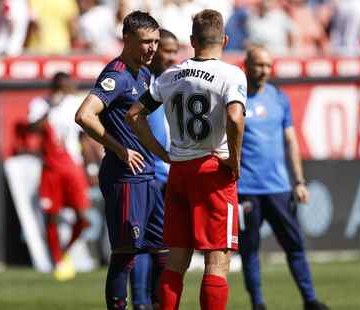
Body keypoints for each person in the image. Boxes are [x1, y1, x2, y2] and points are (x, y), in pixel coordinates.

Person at [126, 9, 247, 310]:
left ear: (192, 41)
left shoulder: (170, 75)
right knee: (217, 263)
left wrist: (159, 152)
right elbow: (234, 116)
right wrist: (234, 158)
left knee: (174, 264)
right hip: (212, 170)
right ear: (225, 39)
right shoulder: (230, 74)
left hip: (178, 170)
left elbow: (134, 115)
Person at [74, 11, 168, 310]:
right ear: (126, 40)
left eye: (155, 41)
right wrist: (119, 149)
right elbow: (84, 115)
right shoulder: (117, 75)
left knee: (164, 253)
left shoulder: (144, 73)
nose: (152, 48)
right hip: (125, 177)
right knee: (127, 253)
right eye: (145, 42)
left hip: (149, 175)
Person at [238, 45, 329, 310]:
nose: (264, 71)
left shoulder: (279, 98)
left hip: (278, 187)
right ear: (246, 65)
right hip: (246, 188)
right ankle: (258, 304)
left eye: (268, 65)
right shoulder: (236, 99)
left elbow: (291, 141)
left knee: (295, 245)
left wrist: (298, 181)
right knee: (249, 250)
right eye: (259, 65)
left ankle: (310, 300)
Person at [129, 28, 179, 310]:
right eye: (166, 50)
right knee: (143, 243)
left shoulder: (179, 83)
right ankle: (140, 301)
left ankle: (159, 301)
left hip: (173, 175)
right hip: (147, 173)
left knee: (166, 245)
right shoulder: (142, 82)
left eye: (174, 51)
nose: (171, 57)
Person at [27, 72, 92, 281]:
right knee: (52, 216)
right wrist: (48, 109)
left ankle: (64, 251)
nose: (66, 89)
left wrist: (91, 166)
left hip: (73, 166)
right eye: (62, 86)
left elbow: (84, 136)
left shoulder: (75, 103)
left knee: (83, 218)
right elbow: (32, 128)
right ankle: (56, 259)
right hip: (51, 168)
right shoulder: (40, 104)